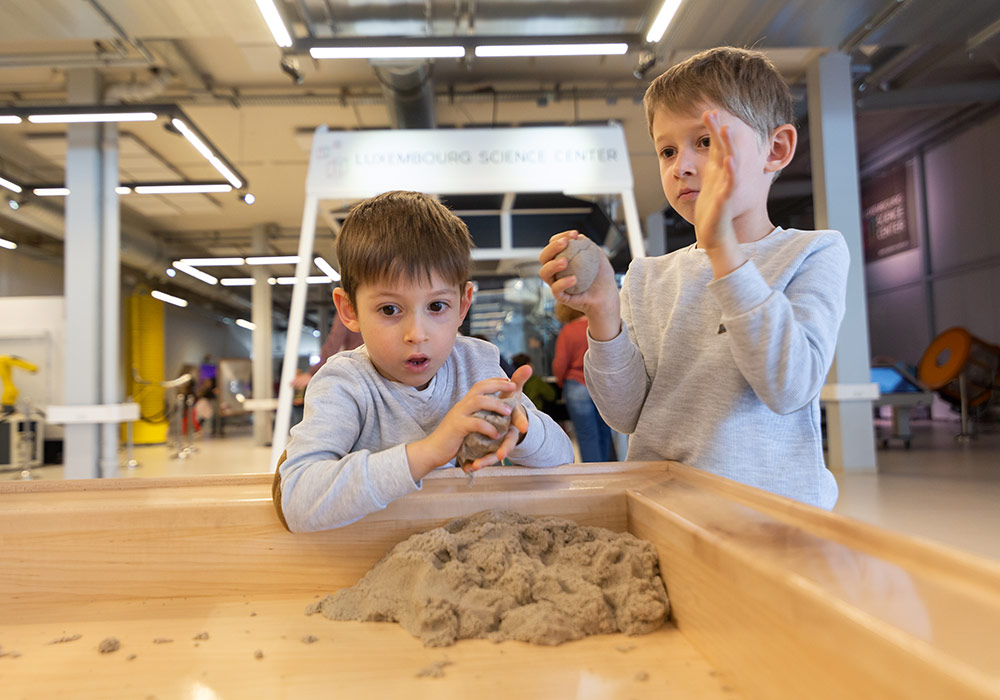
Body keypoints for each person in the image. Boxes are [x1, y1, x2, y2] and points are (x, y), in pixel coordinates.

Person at [539, 47, 849, 509]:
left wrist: (723, 249)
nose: (680, 165)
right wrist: (604, 312)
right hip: (663, 506)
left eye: (704, 141)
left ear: (776, 149)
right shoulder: (647, 276)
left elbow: (789, 386)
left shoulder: (812, 253)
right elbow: (625, 415)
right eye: (667, 150)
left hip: (773, 514)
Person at [273, 190, 574, 531]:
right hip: (373, 556)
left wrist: (521, 428)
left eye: (436, 307)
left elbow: (563, 457)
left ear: (463, 305)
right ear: (349, 310)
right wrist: (431, 450)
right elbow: (297, 500)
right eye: (390, 309)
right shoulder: (344, 383)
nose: (417, 333)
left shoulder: (476, 364)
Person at [551, 303, 613, 462]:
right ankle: (607, 476)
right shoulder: (600, 327)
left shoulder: (568, 331)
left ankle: (593, 480)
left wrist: (561, 382)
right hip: (602, 385)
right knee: (605, 432)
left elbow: (560, 363)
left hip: (577, 385)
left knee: (586, 435)